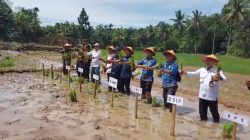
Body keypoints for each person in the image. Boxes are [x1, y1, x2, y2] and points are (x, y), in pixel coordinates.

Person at [181, 54, 226, 123]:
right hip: (202, 95)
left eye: (211, 61)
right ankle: (203, 125)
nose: (209, 62)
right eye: (208, 60)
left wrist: (219, 77)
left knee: (214, 114)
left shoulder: (217, 71)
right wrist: (184, 72)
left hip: (212, 97)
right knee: (202, 114)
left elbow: (224, 80)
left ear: (214, 62)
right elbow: (193, 74)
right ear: (205, 62)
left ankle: (216, 124)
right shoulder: (202, 70)